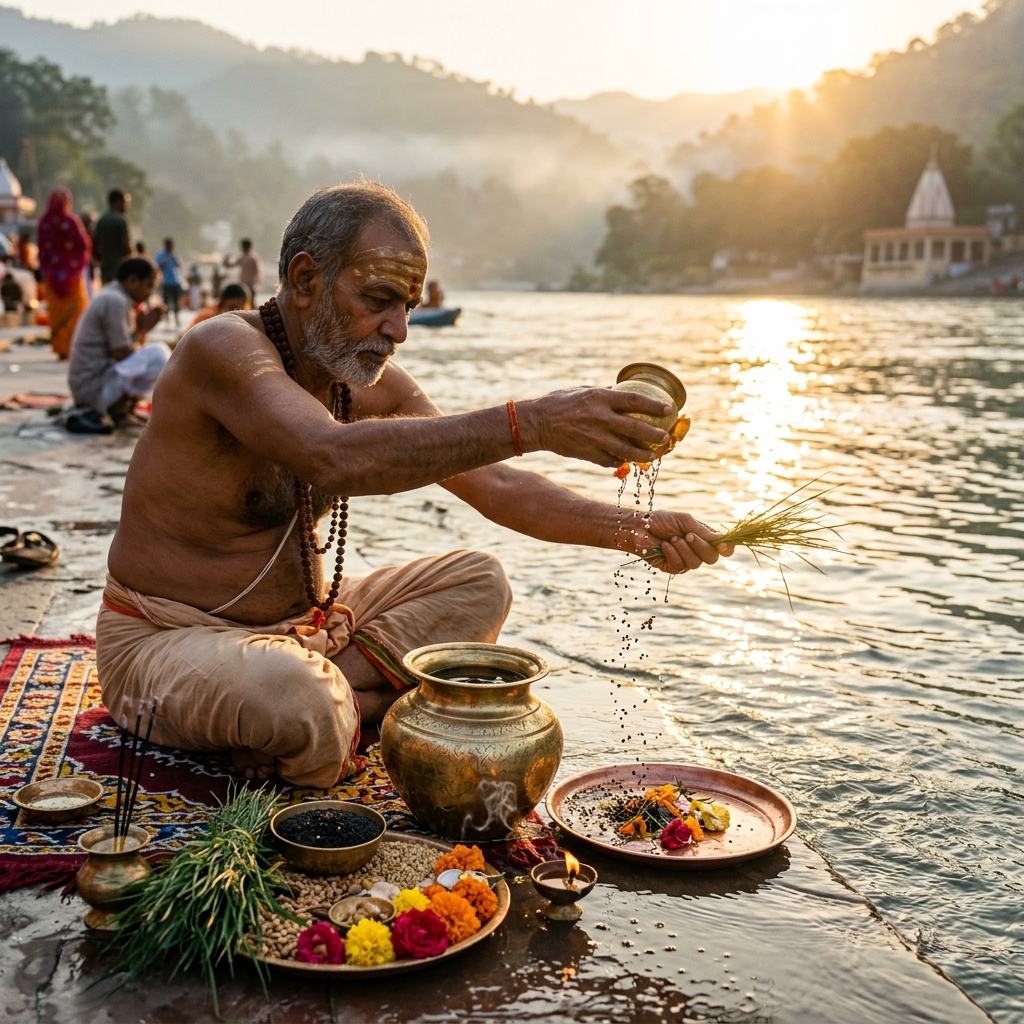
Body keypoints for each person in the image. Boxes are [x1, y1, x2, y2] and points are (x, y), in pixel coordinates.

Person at [96, 182, 731, 789]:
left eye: (407, 308)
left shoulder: (372, 385)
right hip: (165, 636)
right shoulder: (223, 350)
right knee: (297, 699)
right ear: (305, 279)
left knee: (481, 581)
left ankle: (341, 700)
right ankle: (340, 702)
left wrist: (636, 531)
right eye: (377, 301)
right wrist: (535, 420)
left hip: (308, 631)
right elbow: (331, 457)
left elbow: (498, 486)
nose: (398, 331)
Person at [67, 257, 169, 431]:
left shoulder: (118, 297)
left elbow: (125, 350)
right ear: (132, 281)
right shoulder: (115, 300)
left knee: (155, 356)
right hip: (93, 388)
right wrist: (143, 329)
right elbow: (121, 352)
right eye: (149, 286)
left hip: (96, 383)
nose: (150, 293)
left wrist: (142, 329)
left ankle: (122, 409)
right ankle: (116, 408)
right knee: (159, 355)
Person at [36, 186, 92, 360]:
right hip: (72, 277)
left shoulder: (44, 223)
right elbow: (83, 246)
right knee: (75, 311)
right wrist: (72, 267)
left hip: (52, 278)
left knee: (56, 312)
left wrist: (51, 269)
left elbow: (42, 252)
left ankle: (61, 348)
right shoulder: (71, 221)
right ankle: (74, 347)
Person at [94, 190, 133, 285]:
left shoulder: (101, 221)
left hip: (105, 267)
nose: (126, 205)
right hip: (121, 268)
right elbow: (126, 244)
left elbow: (96, 245)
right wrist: (133, 257)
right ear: (118, 201)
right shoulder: (121, 220)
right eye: (125, 202)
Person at [224, 238, 263, 304]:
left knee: (251, 304)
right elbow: (231, 265)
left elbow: (258, 272)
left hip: (251, 285)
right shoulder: (242, 257)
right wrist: (226, 261)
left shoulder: (253, 258)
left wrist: (257, 283)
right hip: (243, 285)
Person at [155, 238, 183, 327]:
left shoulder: (175, 254)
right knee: (166, 302)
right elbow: (157, 266)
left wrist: (174, 259)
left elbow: (179, 265)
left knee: (176, 302)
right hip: (166, 282)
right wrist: (167, 259)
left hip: (175, 281)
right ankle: (167, 321)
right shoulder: (160, 255)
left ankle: (176, 319)